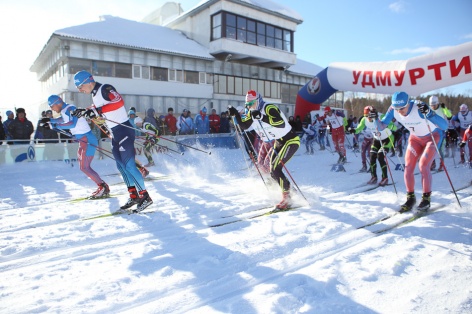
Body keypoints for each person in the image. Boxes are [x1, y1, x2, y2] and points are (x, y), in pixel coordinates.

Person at [71, 70, 152, 212]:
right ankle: (134, 196)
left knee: (129, 165)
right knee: (121, 167)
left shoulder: (105, 88)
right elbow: (98, 111)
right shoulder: (94, 96)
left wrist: (95, 111)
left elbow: (118, 101)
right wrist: (84, 111)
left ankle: (145, 197)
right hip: (115, 133)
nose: (79, 90)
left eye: (80, 86)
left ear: (88, 82)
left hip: (124, 129)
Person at [228, 90, 300, 210]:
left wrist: (262, 117)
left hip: (290, 140)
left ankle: (287, 199)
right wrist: (235, 114)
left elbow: (280, 123)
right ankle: (291, 191)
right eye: (248, 104)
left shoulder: (268, 108)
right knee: (272, 171)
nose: (250, 106)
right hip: (278, 142)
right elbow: (245, 126)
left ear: (258, 101)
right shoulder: (251, 112)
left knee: (276, 168)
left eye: (252, 103)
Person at [376, 91, 448, 212]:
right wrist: (374, 118)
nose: (399, 111)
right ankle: (411, 198)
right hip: (415, 138)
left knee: (423, 166)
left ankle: (426, 198)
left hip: (433, 136)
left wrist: (430, 114)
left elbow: (445, 126)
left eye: (402, 108)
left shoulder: (419, 107)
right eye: (396, 108)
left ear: (408, 103)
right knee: (408, 167)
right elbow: (381, 126)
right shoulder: (393, 109)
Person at [47, 95, 110, 198]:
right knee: (83, 167)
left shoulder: (71, 108)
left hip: (88, 139)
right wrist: (50, 121)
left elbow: (72, 124)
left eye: (51, 106)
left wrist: (56, 126)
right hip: (83, 140)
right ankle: (102, 186)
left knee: (85, 167)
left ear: (57, 102)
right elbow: (62, 119)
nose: (51, 109)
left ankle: (103, 187)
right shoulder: (65, 110)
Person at [352, 106, 396, 186]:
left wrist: (387, 125)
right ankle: (374, 177)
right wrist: (353, 130)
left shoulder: (381, 116)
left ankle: (385, 178)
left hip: (387, 139)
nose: (368, 118)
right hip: (376, 139)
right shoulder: (364, 119)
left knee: (380, 156)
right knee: (372, 156)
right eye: (366, 116)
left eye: (369, 116)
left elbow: (395, 127)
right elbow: (359, 128)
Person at [428, 96, 452, 171]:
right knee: (431, 148)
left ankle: (442, 165)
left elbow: (449, 116)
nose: (433, 107)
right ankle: (432, 163)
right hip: (432, 131)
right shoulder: (429, 109)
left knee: (440, 149)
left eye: (434, 105)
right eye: (432, 105)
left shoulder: (441, 108)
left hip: (441, 131)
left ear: (437, 103)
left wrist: (445, 108)